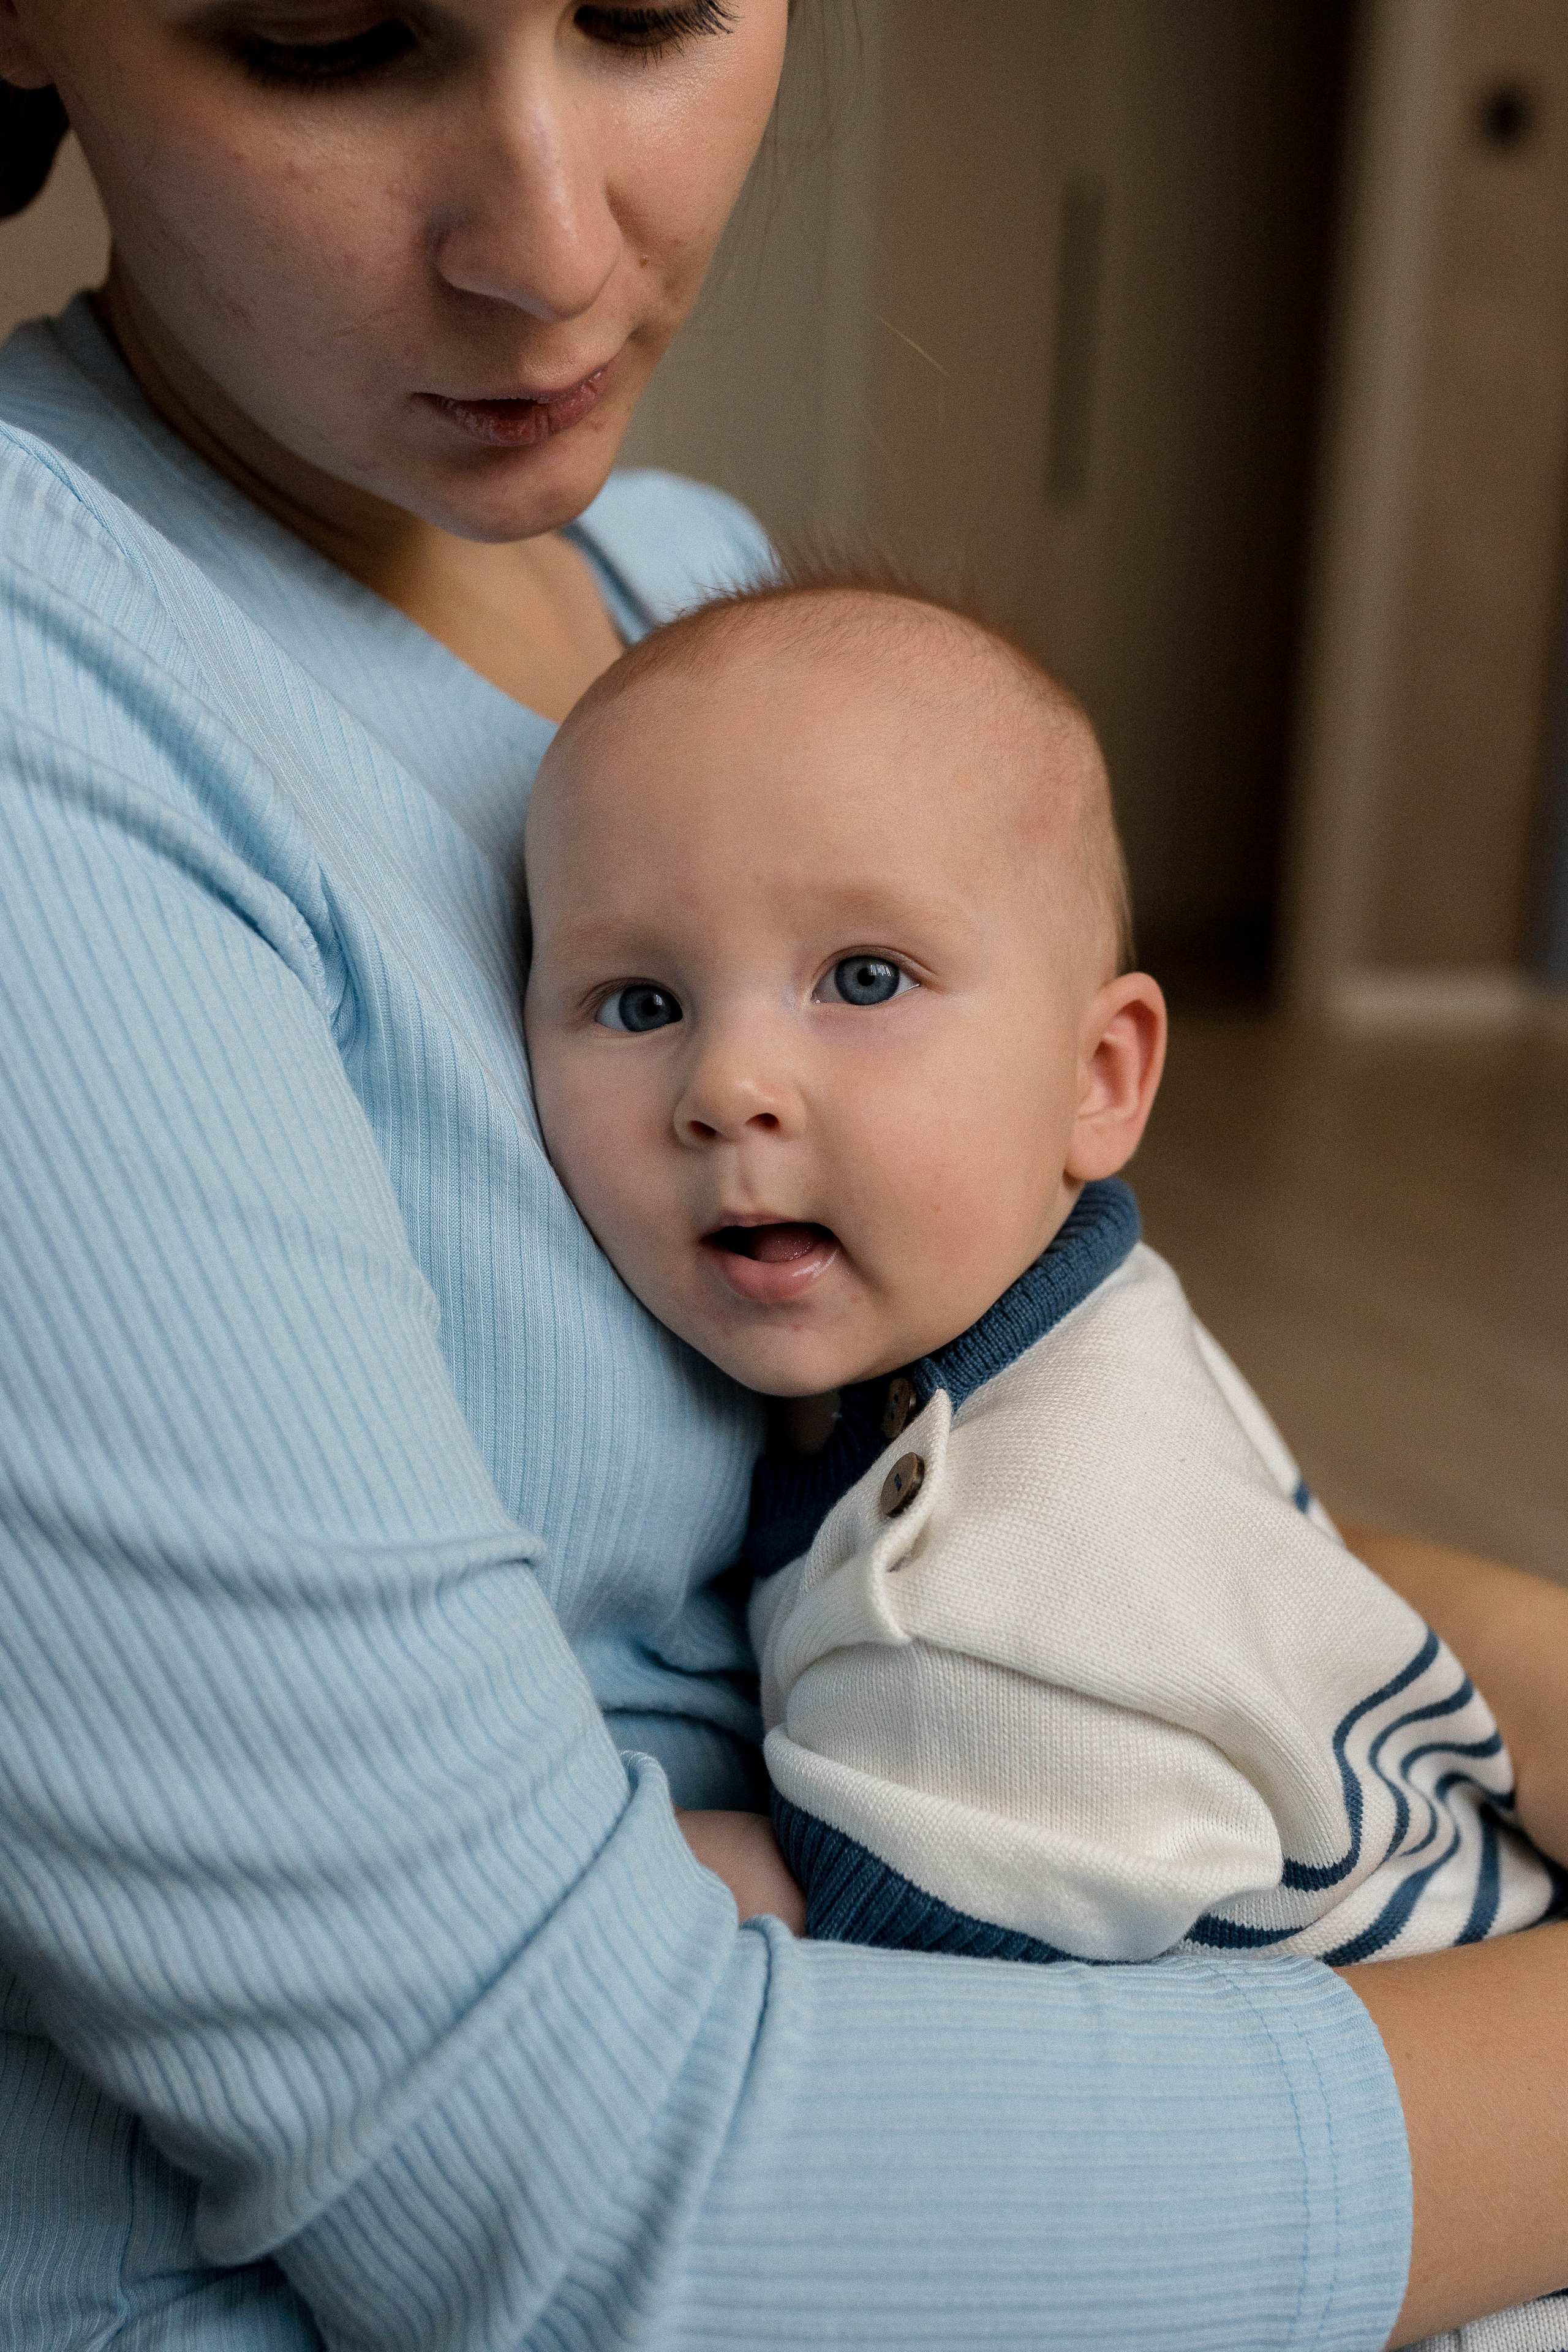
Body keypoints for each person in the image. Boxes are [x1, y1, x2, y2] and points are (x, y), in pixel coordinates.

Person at [0, 4, 1566, 2346]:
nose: (551, 250)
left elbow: (1058, 1467)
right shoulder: (54, 732)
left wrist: (1504, 1659)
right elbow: (596, 2202)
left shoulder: (682, 594)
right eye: (327, 38)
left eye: (650, 10)